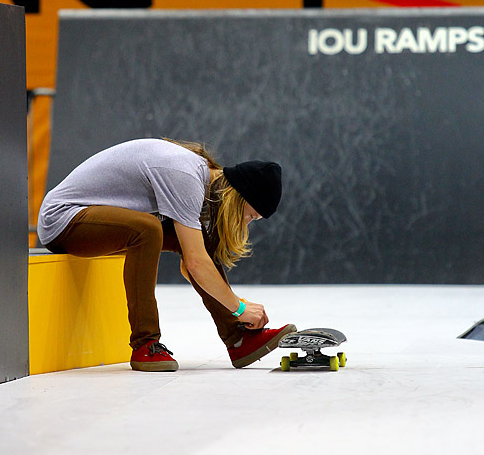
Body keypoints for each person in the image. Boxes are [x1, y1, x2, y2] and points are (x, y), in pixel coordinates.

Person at [37, 137, 296, 371]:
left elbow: (191, 261)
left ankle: (239, 340)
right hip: (62, 219)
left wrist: (232, 308)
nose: (247, 223)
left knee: (191, 240)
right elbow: (195, 264)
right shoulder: (185, 176)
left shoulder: (197, 175)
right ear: (236, 198)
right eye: (250, 215)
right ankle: (145, 344)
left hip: (93, 219)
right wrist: (239, 307)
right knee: (147, 230)